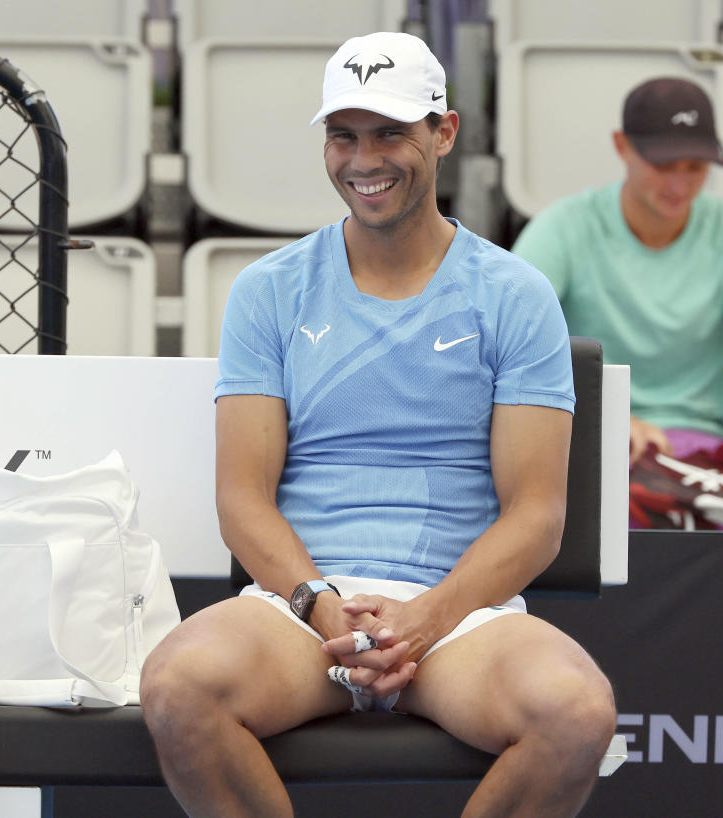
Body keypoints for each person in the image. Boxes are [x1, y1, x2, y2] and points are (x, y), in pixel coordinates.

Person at [141, 32, 616, 818]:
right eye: (344, 136)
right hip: (303, 617)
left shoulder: (516, 294)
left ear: (445, 132)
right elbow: (243, 503)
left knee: (577, 714)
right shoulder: (270, 291)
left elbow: (537, 517)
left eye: (391, 132)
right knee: (175, 688)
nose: (365, 159)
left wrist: (425, 620)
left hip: (460, 619)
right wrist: (327, 610)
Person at [512, 77, 723, 472]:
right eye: (663, 165)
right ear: (622, 146)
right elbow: (507, 333)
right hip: (590, 436)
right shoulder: (567, 226)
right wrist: (606, 417)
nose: (680, 184)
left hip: (706, 450)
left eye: (696, 167)